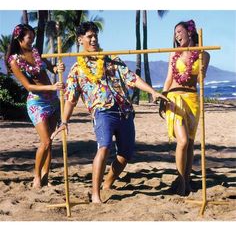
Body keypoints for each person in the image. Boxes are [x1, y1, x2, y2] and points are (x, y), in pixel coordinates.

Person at [51, 21, 169, 203]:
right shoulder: (77, 69)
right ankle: (95, 194)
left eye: (95, 36)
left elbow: (132, 78)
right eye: (89, 36)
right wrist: (64, 121)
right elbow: (70, 99)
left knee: (125, 155)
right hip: (102, 112)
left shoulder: (111, 58)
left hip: (125, 111)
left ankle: (107, 184)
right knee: (104, 147)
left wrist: (152, 91)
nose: (93, 39)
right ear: (80, 39)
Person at [6, 24, 65, 188]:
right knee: (45, 141)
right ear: (19, 39)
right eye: (29, 38)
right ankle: (37, 176)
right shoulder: (14, 60)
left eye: (33, 37)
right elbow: (29, 87)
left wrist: (57, 68)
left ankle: (46, 176)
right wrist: (52, 87)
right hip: (37, 102)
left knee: (50, 142)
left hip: (52, 99)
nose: (32, 41)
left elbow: (50, 69)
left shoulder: (35, 52)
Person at [159, 20, 210, 196]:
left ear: (190, 32)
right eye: (175, 33)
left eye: (180, 31)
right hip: (174, 98)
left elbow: (200, 81)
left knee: (189, 143)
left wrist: (201, 71)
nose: (177, 36)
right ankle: (181, 182)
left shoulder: (203, 54)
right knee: (182, 141)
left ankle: (186, 182)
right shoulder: (173, 53)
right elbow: (168, 78)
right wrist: (162, 98)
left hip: (192, 100)